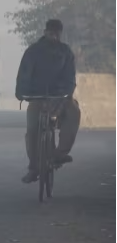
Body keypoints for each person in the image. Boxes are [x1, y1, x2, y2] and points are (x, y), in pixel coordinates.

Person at [15, 19, 80, 184]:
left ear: (60, 34)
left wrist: (65, 95)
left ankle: (60, 154)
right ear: (45, 32)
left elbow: (70, 78)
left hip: (60, 97)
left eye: (57, 33)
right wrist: (22, 93)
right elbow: (23, 75)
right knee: (32, 130)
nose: (54, 36)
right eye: (51, 33)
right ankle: (34, 167)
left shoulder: (65, 52)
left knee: (74, 111)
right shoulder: (33, 52)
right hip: (37, 97)